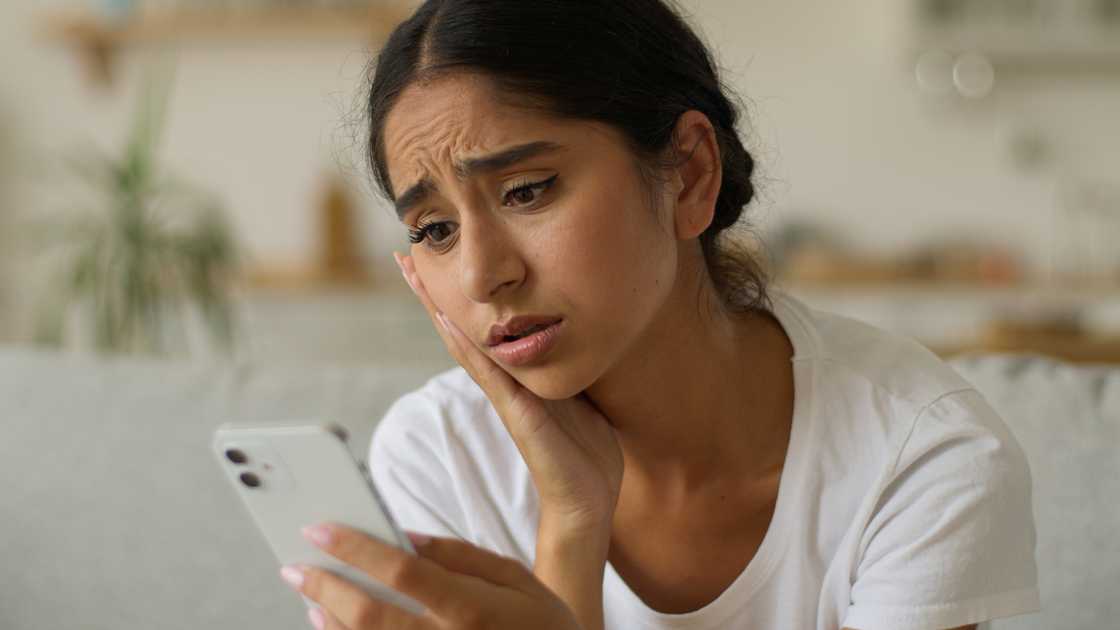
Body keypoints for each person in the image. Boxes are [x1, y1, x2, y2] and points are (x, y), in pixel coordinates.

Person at [277, 1, 1041, 629]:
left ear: (688, 174)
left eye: (528, 189)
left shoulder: (917, 455)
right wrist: (571, 525)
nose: (483, 275)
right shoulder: (438, 459)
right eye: (434, 230)